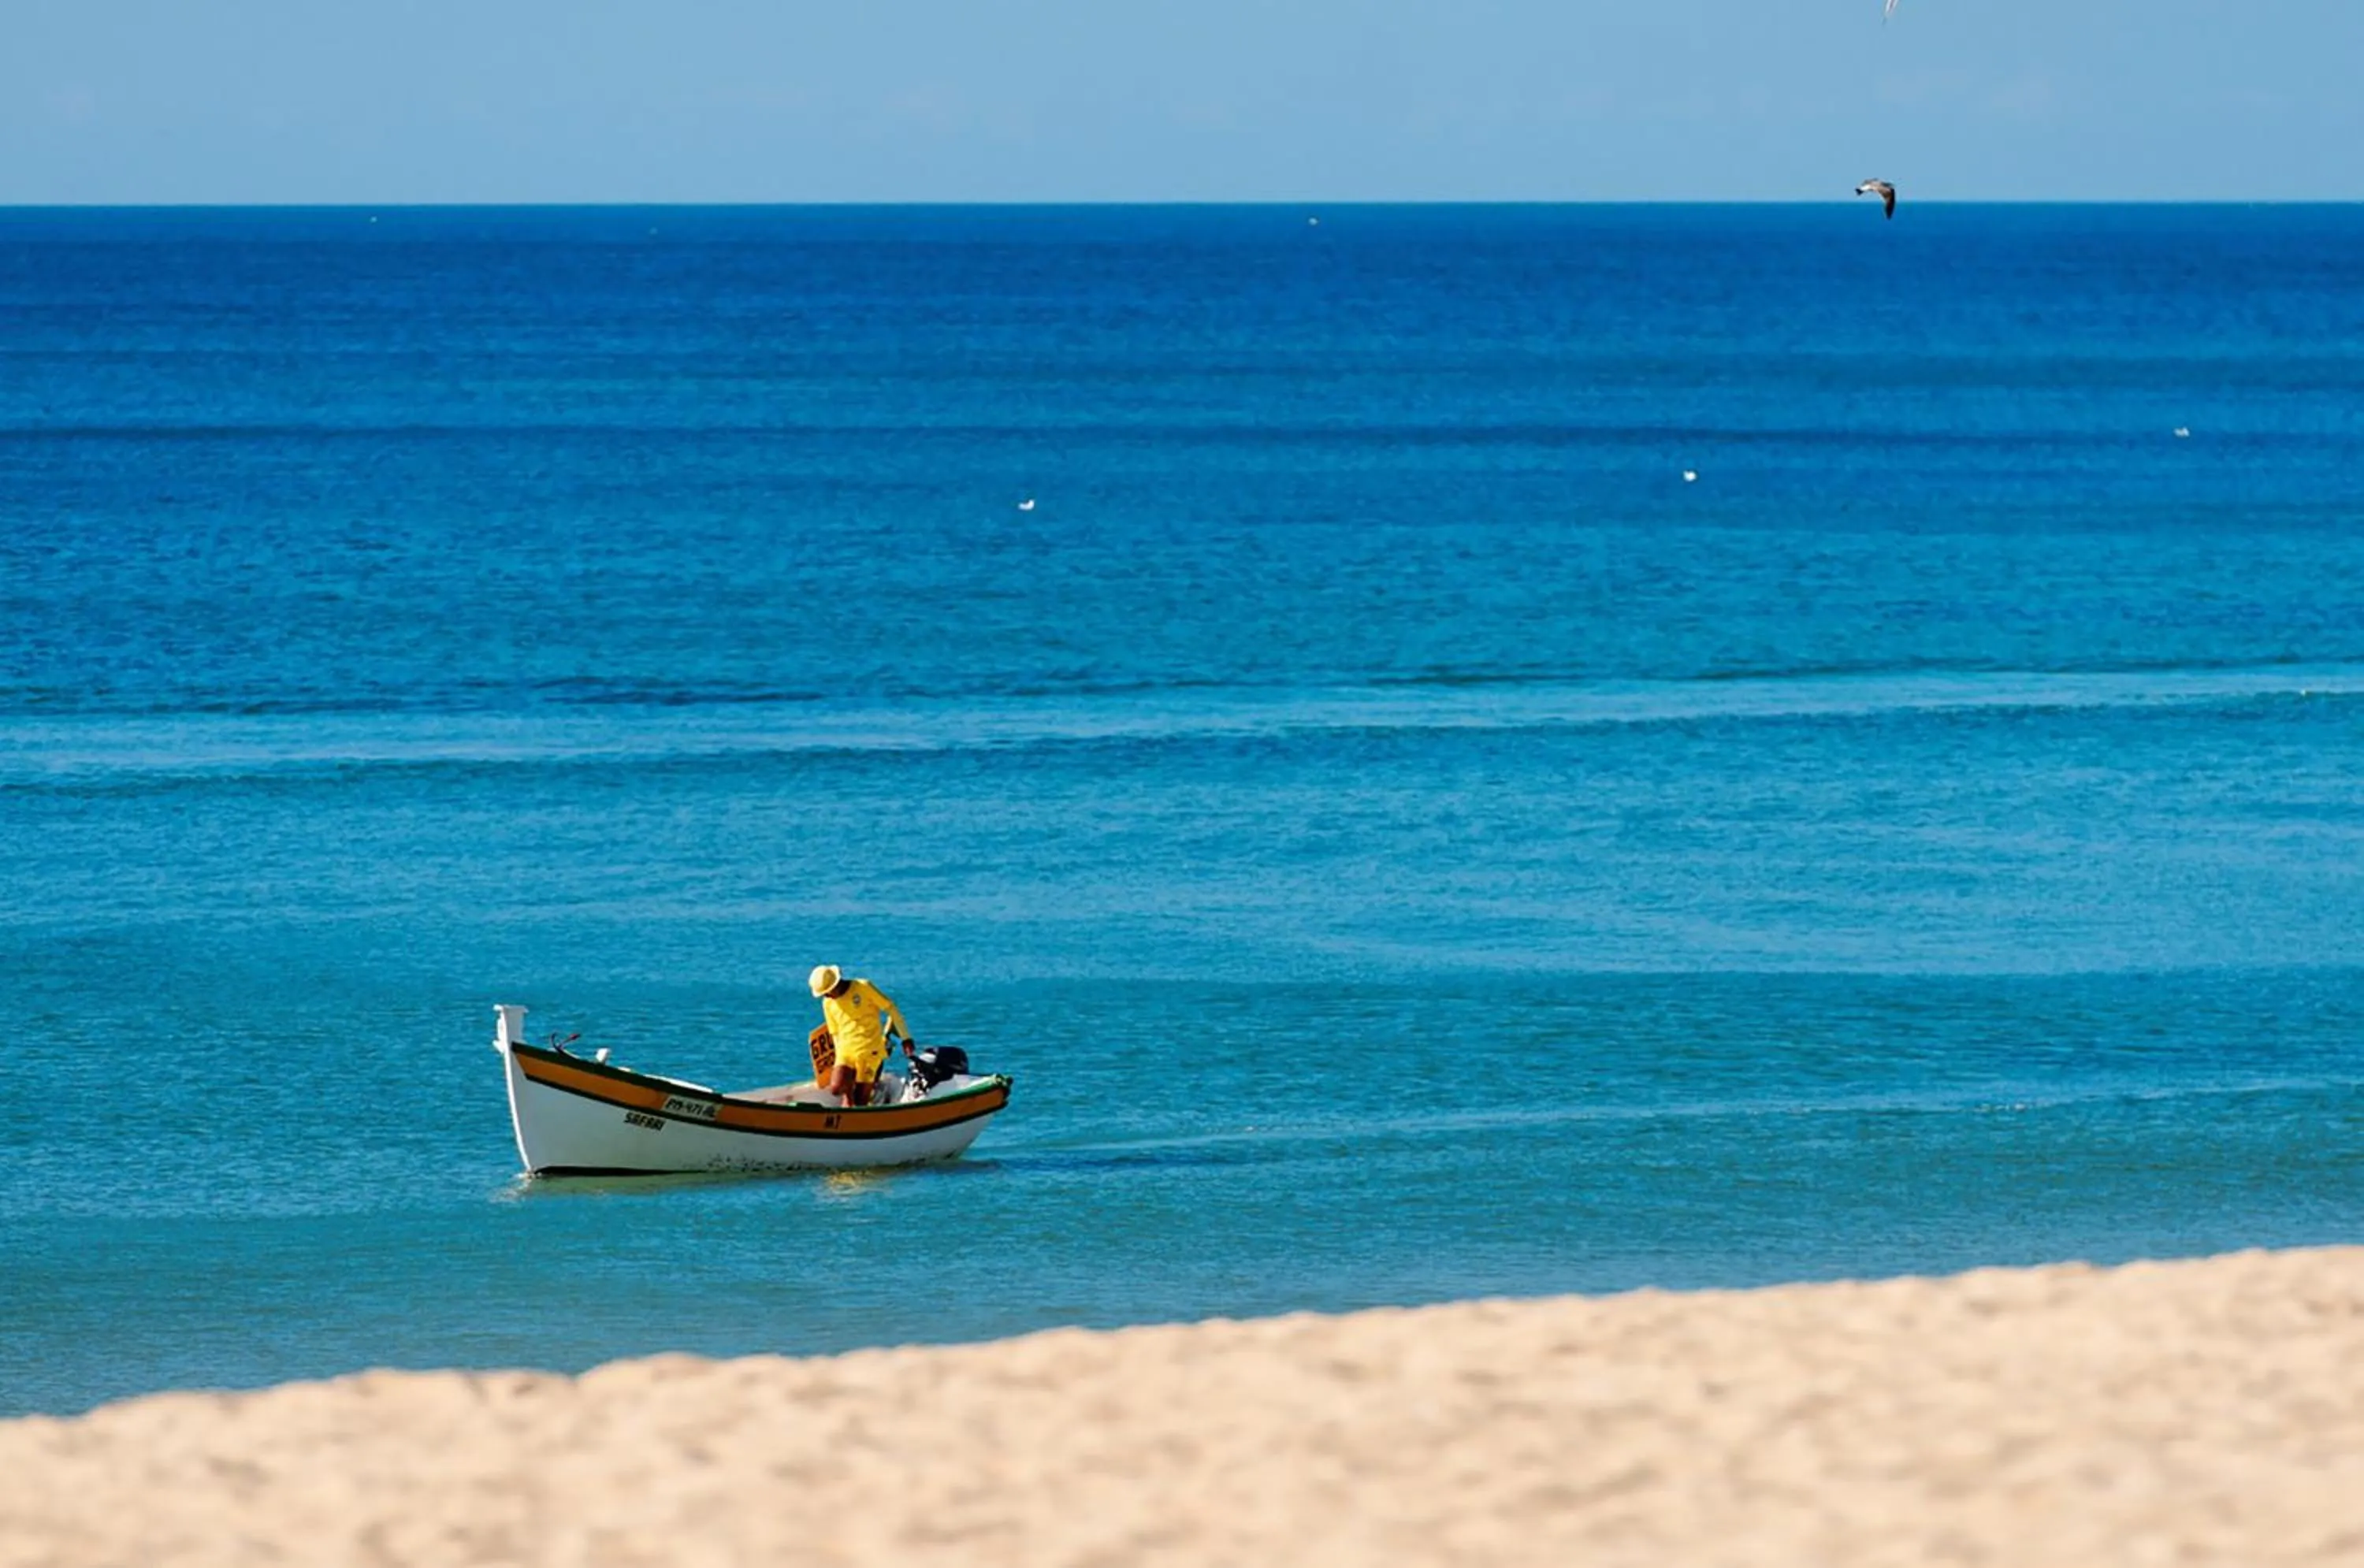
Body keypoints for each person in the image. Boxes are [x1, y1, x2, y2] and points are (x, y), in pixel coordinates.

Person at [807, 964, 913, 1107]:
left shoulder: (863, 987)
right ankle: (854, 1098)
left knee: (860, 1101)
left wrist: (906, 1037)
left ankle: (883, 1048)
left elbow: (891, 1008)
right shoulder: (827, 1003)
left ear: (836, 984)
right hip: (846, 1051)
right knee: (836, 1088)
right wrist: (838, 1059)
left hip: (869, 1050)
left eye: (827, 992)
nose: (826, 996)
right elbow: (835, 1032)